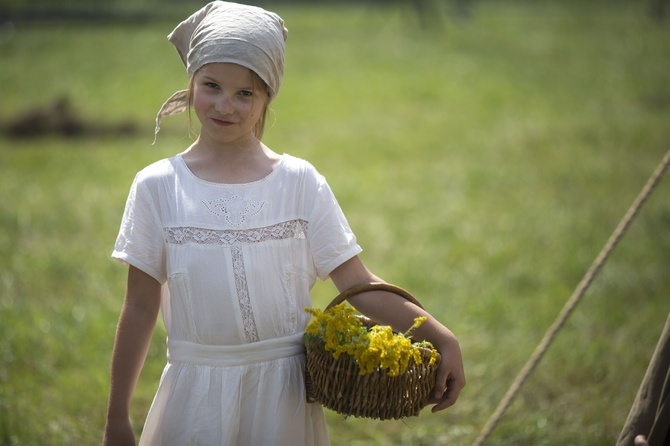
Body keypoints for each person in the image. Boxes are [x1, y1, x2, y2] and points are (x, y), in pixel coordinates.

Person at [102, 2, 465, 445]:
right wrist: (117, 418)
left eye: (245, 94)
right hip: (195, 399)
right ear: (191, 81)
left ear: (267, 96)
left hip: (283, 400)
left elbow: (356, 282)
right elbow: (140, 307)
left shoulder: (299, 182)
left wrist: (440, 335)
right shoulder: (157, 186)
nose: (224, 106)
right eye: (211, 86)